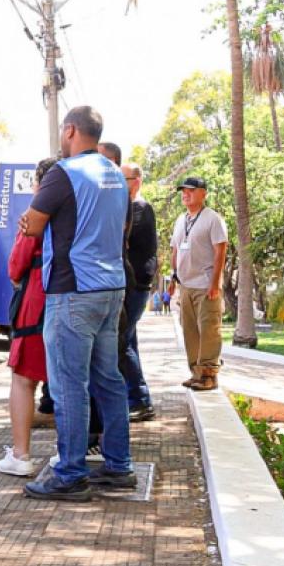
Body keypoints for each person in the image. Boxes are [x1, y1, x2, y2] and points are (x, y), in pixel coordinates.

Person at [19, 106, 136, 501]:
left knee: (69, 384)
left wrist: (32, 218)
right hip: (111, 288)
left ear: (70, 130)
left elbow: (32, 225)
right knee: (109, 380)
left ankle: (70, 472)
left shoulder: (63, 172)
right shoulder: (115, 175)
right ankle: (119, 465)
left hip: (73, 290)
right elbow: (121, 227)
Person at [0, 157, 56, 477]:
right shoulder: (80, 209)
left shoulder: (35, 213)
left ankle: (21, 455)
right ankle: (70, 452)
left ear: (38, 184)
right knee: (69, 378)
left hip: (37, 300)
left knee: (23, 379)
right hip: (74, 296)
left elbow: (16, 265)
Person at [170, 176, 228, 391]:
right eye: (183, 191)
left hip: (206, 285)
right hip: (185, 285)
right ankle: (196, 373)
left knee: (209, 330)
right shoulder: (180, 219)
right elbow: (175, 250)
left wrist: (215, 283)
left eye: (191, 191)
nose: (186, 194)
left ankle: (209, 375)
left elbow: (220, 251)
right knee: (190, 331)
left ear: (203, 193)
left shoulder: (213, 219)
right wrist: (173, 278)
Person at [120, 162, 158, 420]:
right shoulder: (129, 208)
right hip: (129, 284)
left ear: (137, 181)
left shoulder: (139, 208)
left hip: (136, 284)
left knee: (120, 342)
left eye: (124, 179)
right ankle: (135, 397)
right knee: (128, 340)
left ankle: (141, 400)